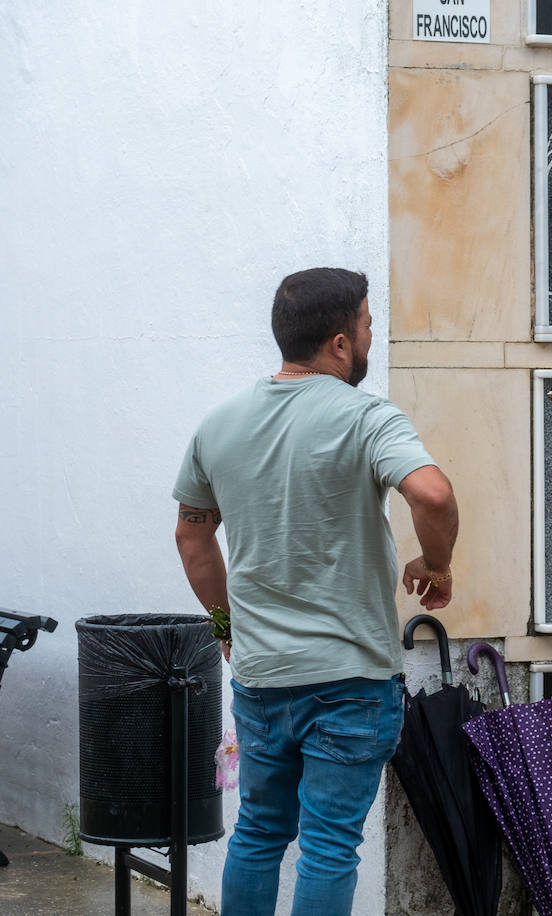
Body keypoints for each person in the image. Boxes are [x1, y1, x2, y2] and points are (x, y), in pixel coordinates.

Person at [172, 268, 459, 915]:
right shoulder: (366, 417)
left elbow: (193, 537)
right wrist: (436, 564)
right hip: (352, 678)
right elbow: (433, 494)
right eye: (365, 328)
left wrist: (226, 627)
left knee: (259, 832)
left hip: (262, 675)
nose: (367, 339)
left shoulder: (219, 425)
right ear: (337, 343)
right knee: (329, 846)